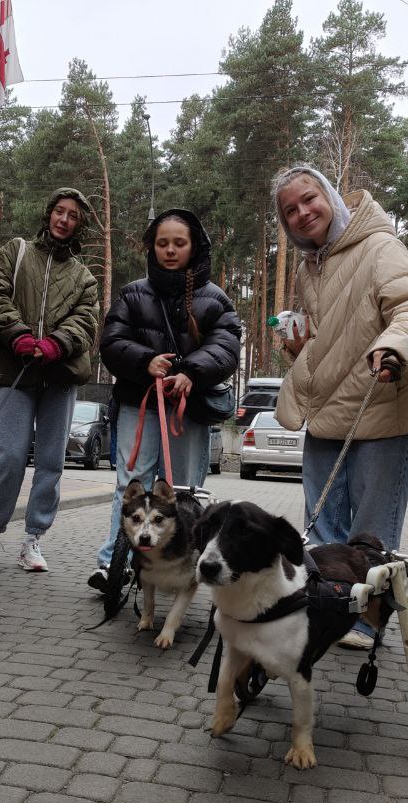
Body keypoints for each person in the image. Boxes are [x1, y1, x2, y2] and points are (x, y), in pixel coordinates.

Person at [272, 165, 408, 646]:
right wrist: (300, 341)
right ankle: (330, 609)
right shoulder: (312, 264)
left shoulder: (379, 245)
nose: (303, 213)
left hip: (380, 405)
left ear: (330, 196)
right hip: (326, 413)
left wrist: (397, 346)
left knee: (371, 532)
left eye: (310, 199)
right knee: (325, 528)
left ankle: (370, 619)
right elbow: (335, 334)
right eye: (290, 211)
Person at [89, 208, 241, 589]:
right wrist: (146, 361)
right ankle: (113, 564)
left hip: (189, 409)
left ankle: (181, 565)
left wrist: (191, 371)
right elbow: (111, 342)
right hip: (138, 404)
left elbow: (226, 348)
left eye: (179, 243)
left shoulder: (216, 299)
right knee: (131, 485)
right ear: (152, 247)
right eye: (162, 243)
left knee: (185, 489)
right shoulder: (133, 292)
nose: (170, 250)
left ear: (194, 247)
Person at [0, 187, 101, 572]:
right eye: (59, 212)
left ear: (80, 225)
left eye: (73, 216)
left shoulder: (84, 277)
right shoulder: (16, 253)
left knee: (50, 462)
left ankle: (33, 539)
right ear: (49, 214)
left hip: (59, 377)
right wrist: (18, 334)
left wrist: (56, 343)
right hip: (15, 371)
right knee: (9, 456)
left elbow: (87, 321)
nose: (64, 220)